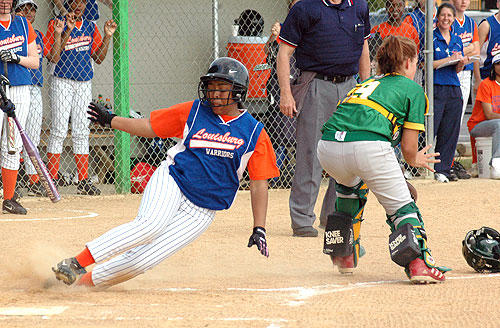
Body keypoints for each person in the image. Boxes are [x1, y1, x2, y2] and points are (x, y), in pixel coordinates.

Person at [51, 57, 279, 288]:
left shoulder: (254, 132)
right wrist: (112, 120)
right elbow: (151, 127)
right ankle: (75, 263)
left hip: (203, 209)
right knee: (149, 226)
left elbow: (259, 183)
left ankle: (76, 285)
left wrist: (258, 227)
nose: (215, 94)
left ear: (239, 91)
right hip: (173, 180)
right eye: (211, 88)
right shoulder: (194, 111)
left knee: (143, 260)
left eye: (222, 88)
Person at [317, 35, 449, 283]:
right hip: (368, 146)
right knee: (403, 208)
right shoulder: (412, 89)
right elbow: (409, 150)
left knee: (350, 189)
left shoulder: (366, 83)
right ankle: (419, 264)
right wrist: (416, 159)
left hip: (328, 147)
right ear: (409, 62)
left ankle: (345, 255)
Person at [277, 0, 371, 237]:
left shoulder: (359, 6)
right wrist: (286, 93)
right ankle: (301, 219)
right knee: (311, 154)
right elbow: (284, 53)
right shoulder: (305, 8)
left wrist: (367, 90)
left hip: (350, 86)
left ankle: (333, 215)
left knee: (347, 154)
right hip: (316, 84)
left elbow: (364, 50)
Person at [44, 0, 117, 195]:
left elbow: (99, 58)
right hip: (62, 80)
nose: (79, 5)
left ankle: (83, 180)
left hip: (84, 82)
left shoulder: (90, 26)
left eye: (83, 2)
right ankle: (52, 179)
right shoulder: (56, 23)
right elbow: (54, 56)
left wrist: (107, 37)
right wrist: (66, 30)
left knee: (81, 130)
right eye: (75, 1)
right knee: (59, 129)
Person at [0, 0, 39, 214]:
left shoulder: (23, 24)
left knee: (12, 145)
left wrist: (16, 57)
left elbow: (35, 62)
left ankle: (8, 199)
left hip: (20, 89)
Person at [264, 0, 300, 188]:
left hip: (300, 84)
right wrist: (273, 37)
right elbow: (269, 53)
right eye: (292, 6)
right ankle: (275, 175)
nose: (296, 9)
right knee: (278, 131)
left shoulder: (309, 27)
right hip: (280, 88)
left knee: (298, 133)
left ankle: (298, 175)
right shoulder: (283, 28)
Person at [432, 3, 469, 183]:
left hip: (454, 87)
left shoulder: (456, 39)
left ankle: (443, 169)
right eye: (443, 15)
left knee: (450, 130)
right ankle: (423, 167)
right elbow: (429, 65)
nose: (446, 18)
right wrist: (449, 59)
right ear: (437, 17)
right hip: (436, 87)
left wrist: (461, 63)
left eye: (449, 15)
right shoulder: (431, 38)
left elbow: (456, 69)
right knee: (432, 128)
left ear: (454, 18)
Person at [467, 53, 500, 179]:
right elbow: (489, 114)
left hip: (495, 124)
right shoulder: (486, 84)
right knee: (499, 124)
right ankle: (496, 164)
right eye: (498, 63)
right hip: (478, 125)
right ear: (493, 67)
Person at [403, 0, 437, 86]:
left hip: (443, 68)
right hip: (419, 68)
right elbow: (407, 48)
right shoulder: (411, 18)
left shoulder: (444, 14)